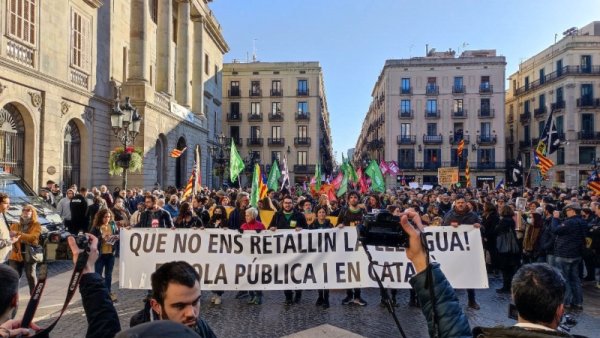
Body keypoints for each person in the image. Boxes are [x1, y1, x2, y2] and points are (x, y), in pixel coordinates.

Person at [144, 261, 216, 337]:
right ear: (156, 306)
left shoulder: (201, 326)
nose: (191, 313)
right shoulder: (142, 333)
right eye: (179, 306)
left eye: (195, 302)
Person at [441, 194, 482, 309]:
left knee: (469, 275)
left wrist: (478, 226)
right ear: (455, 203)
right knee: (451, 276)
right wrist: (449, 226)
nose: (460, 205)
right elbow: (442, 229)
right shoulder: (449, 215)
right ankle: (451, 301)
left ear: (465, 203)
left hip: (468, 252)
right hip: (453, 251)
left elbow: (482, 230)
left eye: (462, 203)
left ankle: (472, 300)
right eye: (458, 203)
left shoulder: (473, 215)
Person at [268, 195, 307, 305]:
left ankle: (298, 294)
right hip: (282, 251)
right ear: (282, 204)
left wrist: (302, 229)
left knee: (297, 272)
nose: (288, 205)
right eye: (286, 203)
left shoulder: (299, 216)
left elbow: (308, 232)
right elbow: (269, 229)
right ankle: (288, 296)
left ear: (293, 204)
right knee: (285, 274)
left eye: (290, 203)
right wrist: (271, 229)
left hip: (297, 251)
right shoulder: (277, 215)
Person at [551, 203, 587, 311]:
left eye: (566, 211)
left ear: (571, 210)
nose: (565, 213)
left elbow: (555, 230)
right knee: (575, 279)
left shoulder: (570, 222)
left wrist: (555, 218)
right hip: (576, 254)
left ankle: (566, 302)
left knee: (564, 279)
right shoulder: (582, 222)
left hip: (565, 253)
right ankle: (578, 302)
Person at [337, 190, 368, 306]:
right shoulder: (344, 211)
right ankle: (349, 295)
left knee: (358, 270)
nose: (353, 199)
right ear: (348, 199)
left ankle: (358, 296)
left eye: (355, 197)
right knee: (348, 270)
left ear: (358, 199)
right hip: (346, 246)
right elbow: (337, 225)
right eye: (351, 197)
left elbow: (367, 225)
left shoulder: (363, 211)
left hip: (359, 245)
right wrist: (340, 226)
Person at [8, 205, 41, 294]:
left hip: (30, 254)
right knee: (14, 277)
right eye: (23, 210)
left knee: (31, 276)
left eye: (28, 210)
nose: (25, 212)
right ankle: (13, 298)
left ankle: (34, 297)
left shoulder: (36, 225)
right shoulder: (15, 224)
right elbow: (9, 236)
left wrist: (18, 234)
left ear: (32, 213)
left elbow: (33, 237)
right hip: (15, 254)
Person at [89, 208, 119, 302]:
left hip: (110, 253)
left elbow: (117, 234)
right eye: (105, 217)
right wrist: (101, 238)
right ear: (101, 217)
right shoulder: (97, 227)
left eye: (109, 217)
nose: (107, 219)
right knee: (98, 275)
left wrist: (116, 237)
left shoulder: (112, 225)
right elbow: (91, 239)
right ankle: (98, 293)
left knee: (108, 275)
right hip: (100, 255)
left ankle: (108, 292)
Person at [308, 205, 333, 308]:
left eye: (323, 212)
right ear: (316, 214)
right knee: (318, 276)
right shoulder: (312, 225)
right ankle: (320, 297)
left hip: (327, 255)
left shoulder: (330, 225)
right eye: (320, 212)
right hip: (316, 255)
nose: (322, 214)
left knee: (326, 277)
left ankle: (326, 298)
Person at [240, 207, 266, 305]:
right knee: (248, 276)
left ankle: (258, 296)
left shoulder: (260, 225)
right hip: (246, 255)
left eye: (248, 215)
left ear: (253, 216)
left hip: (257, 255)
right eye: (245, 215)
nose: (246, 217)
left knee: (256, 276)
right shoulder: (243, 226)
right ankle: (251, 295)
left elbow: (266, 238)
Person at [494, 205, 521, 293]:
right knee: (511, 269)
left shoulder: (504, 220)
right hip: (512, 247)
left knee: (505, 269)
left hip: (506, 247)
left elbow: (497, 230)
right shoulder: (511, 220)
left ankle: (506, 287)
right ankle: (509, 287)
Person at [0, 193, 16, 264]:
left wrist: (9, 234)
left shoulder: (2, 215)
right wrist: (10, 241)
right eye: (6, 203)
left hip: (4, 258)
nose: (9, 206)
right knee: (13, 275)